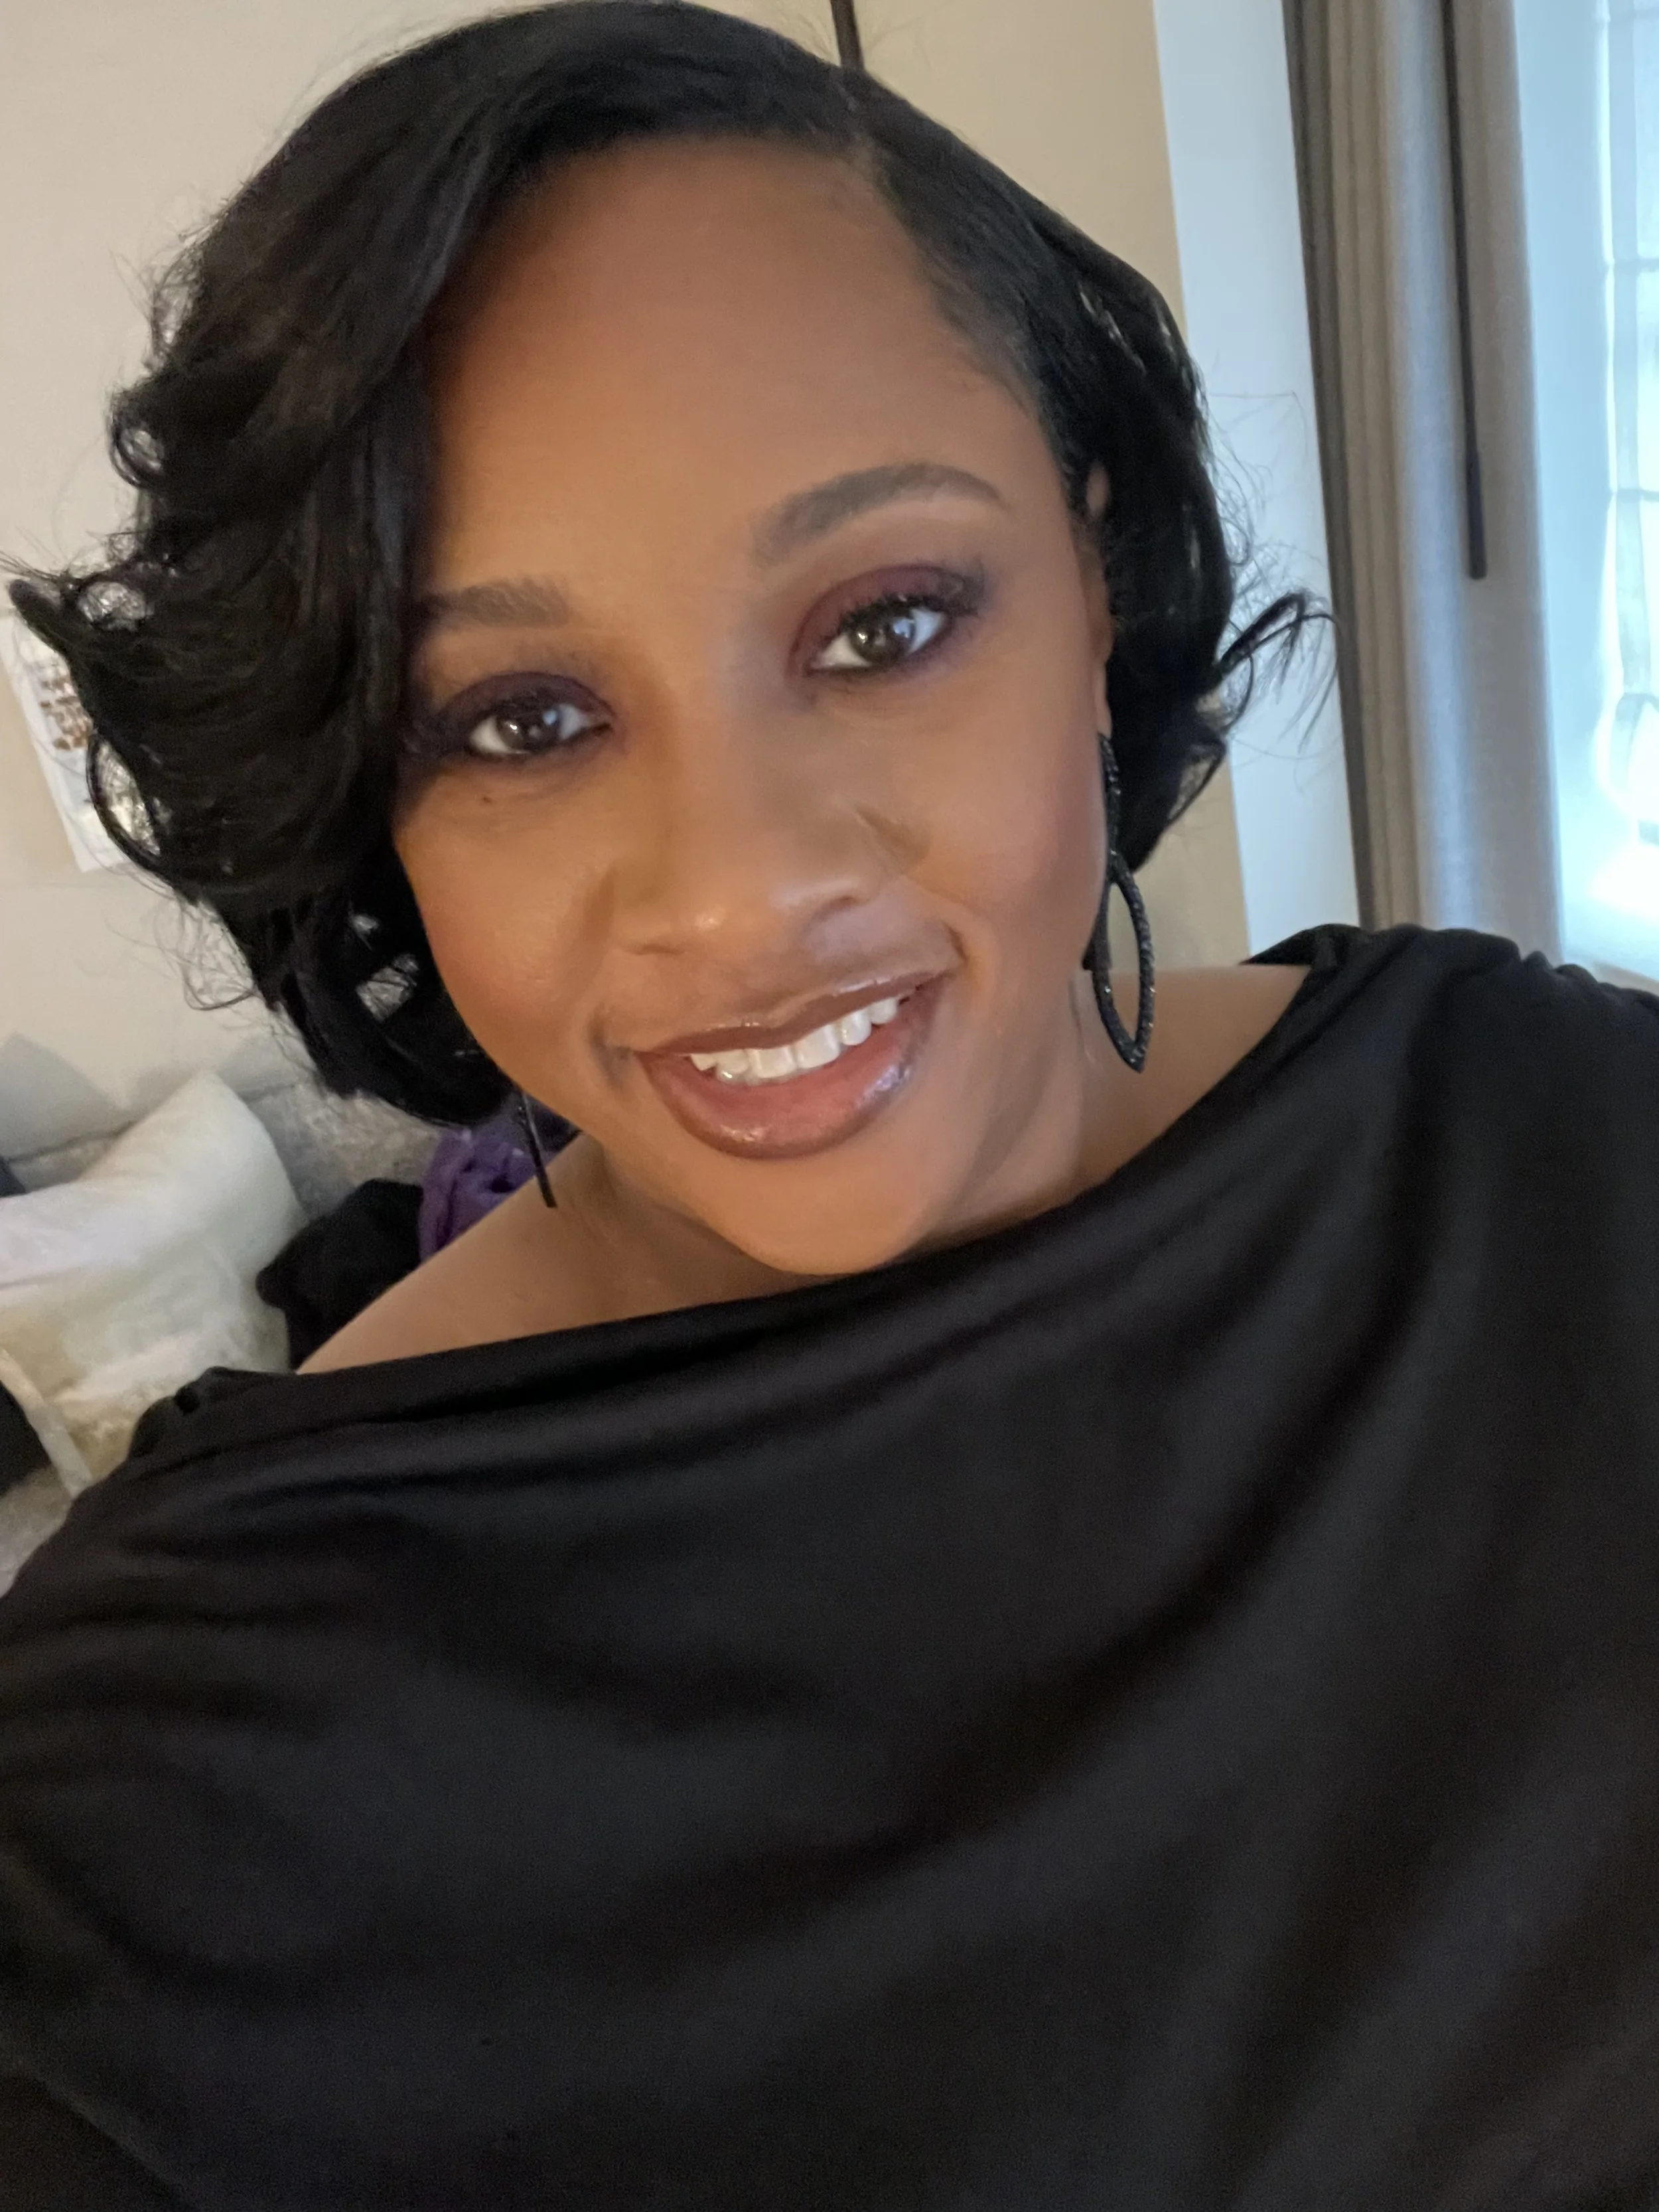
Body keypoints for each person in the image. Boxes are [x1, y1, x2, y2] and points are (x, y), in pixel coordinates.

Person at [1, 5, 1655, 2205]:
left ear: (1089, 581)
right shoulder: (167, 1771)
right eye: (515, 718)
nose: (742, 889)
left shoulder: (1557, 1152)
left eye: (883, 622)